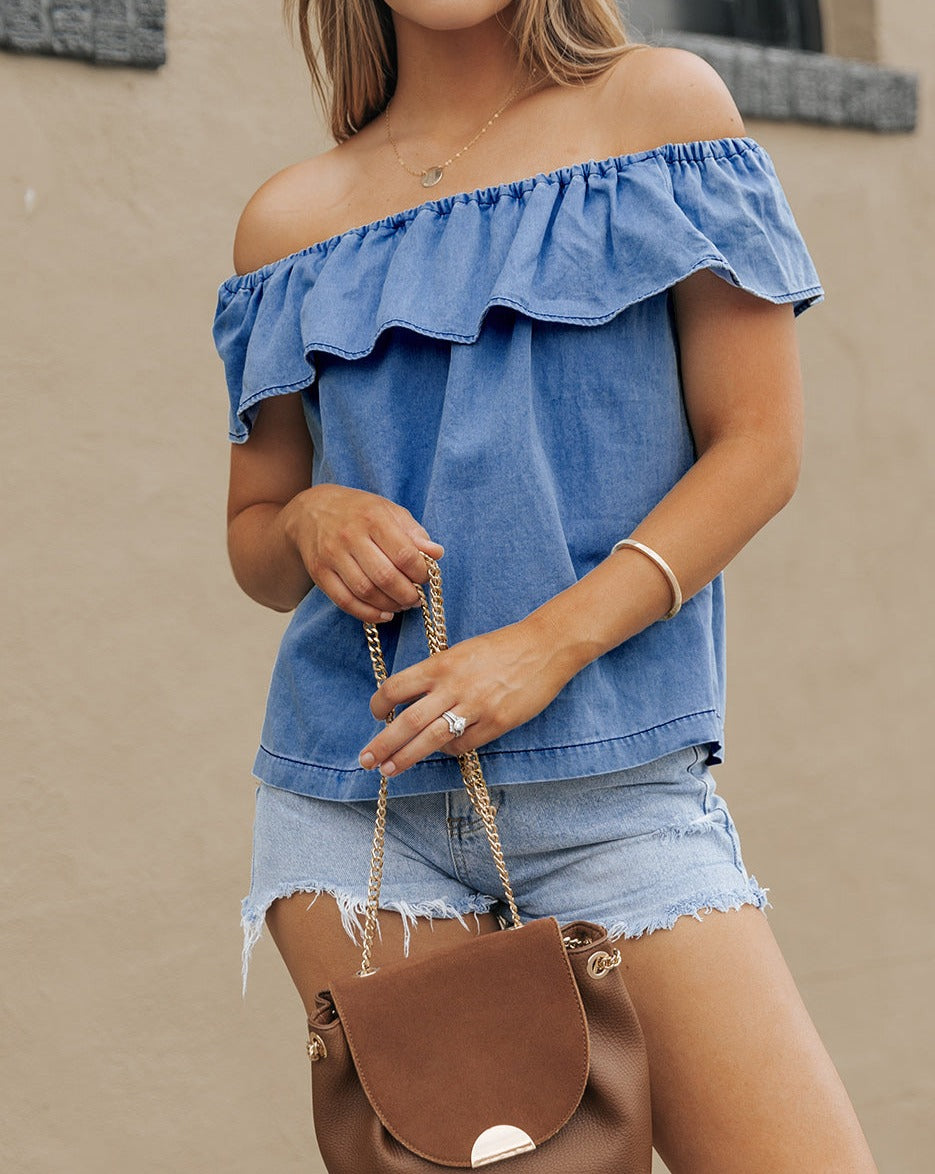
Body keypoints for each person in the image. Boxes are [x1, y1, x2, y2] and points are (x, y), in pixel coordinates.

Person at [212, 1, 878, 1169]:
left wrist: (545, 644)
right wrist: (312, 516)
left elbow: (756, 446)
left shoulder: (658, 112)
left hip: (613, 795)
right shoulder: (287, 223)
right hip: (359, 813)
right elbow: (255, 535)